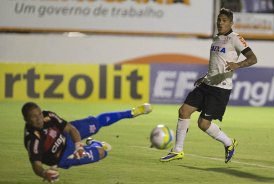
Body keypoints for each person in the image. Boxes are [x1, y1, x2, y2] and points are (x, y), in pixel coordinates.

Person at [160, 8, 257, 163]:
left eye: (224, 20)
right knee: (184, 111)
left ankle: (229, 143)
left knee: (203, 124)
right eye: (219, 19)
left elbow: (253, 59)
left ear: (231, 23)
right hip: (206, 84)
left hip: (220, 89)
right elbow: (217, 63)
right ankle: (178, 150)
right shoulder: (216, 38)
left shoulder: (235, 38)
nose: (220, 23)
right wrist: (205, 77)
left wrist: (237, 65)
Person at [22, 102, 152, 182]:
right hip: (64, 156)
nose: (39, 118)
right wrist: (44, 173)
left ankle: (131, 112)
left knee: (97, 122)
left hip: (67, 135)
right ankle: (95, 144)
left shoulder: (48, 116)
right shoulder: (33, 139)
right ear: (26, 119)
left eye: (39, 114)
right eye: (34, 117)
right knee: (103, 152)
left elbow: (71, 129)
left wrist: (79, 146)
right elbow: (36, 165)